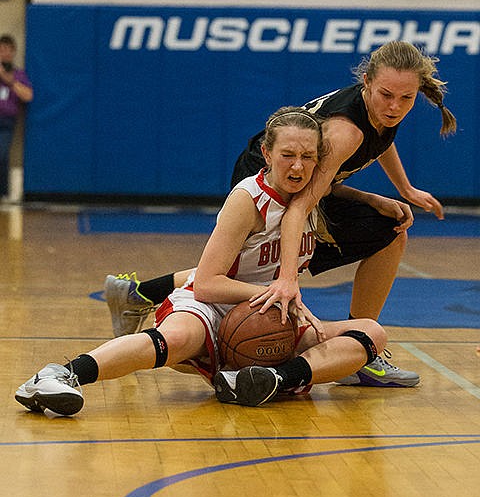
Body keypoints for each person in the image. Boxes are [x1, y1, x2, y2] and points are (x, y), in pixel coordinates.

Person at [104, 40, 456, 388]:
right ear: (366, 82)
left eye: (405, 98)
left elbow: (380, 141)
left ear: (416, 91)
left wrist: (403, 190)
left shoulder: (380, 107)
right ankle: (359, 353)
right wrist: (288, 279)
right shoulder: (345, 130)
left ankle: (140, 293)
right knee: (258, 268)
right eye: (387, 95)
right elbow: (300, 206)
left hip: (297, 179)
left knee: (255, 262)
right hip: (275, 179)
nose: (395, 106)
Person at [15, 107, 387, 415]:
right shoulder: (248, 199)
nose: (297, 166)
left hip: (267, 316)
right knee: (173, 338)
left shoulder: (311, 199)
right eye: (288, 154)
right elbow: (207, 282)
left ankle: (266, 380)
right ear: (267, 152)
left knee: (371, 332)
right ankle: (59, 375)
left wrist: (380, 201)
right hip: (212, 305)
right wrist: (277, 294)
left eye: (308, 157)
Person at [0, 34, 33, 200]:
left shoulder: (18, 75)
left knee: (2, 154)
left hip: (6, 122)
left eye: (7, 50)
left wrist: (7, 80)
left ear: (13, 52)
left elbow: (28, 96)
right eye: (1, 50)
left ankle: (4, 192)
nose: (4, 53)